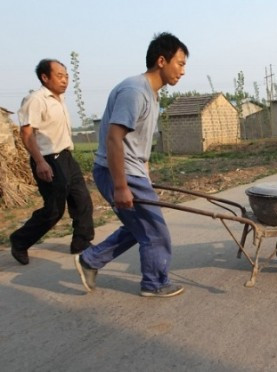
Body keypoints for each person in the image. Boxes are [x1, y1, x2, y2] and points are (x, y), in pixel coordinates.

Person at [74, 32, 188, 298]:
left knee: (140, 227)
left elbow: (138, 147)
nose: (183, 71)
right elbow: (114, 139)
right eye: (180, 63)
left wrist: (144, 179)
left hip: (131, 172)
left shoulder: (151, 95)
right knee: (156, 232)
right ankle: (155, 283)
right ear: (162, 60)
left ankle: (90, 260)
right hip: (119, 172)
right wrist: (121, 186)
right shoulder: (135, 91)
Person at [10, 59, 94, 265]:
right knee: (54, 210)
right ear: (44, 77)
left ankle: (81, 242)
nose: (65, 80)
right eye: (59, 75)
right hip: (48, 160)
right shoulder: (36, 99)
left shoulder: (59, 99)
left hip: (66, 157)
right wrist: (40, 162)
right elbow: (27, 133)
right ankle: (19, 241)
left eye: (66, 76)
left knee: (82, 200)